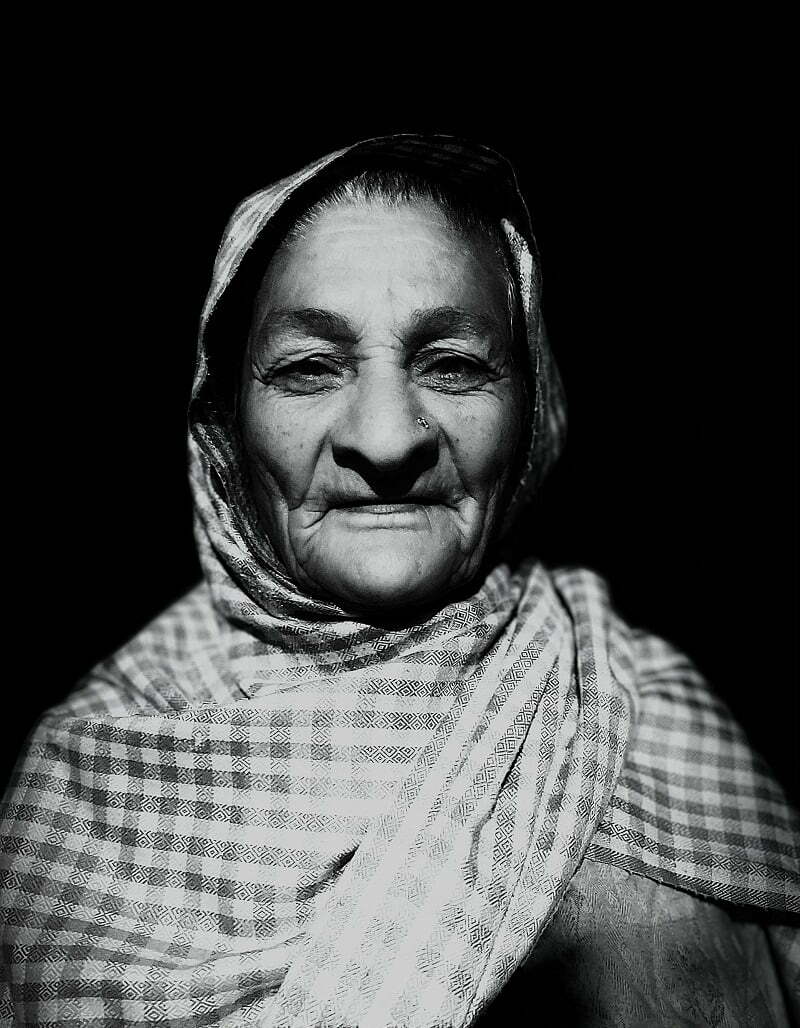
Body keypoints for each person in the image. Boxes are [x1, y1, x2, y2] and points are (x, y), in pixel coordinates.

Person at [1, 134, 797, 1026]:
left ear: (533, 415)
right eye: (308, 369)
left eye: (453, 365)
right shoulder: (84, 782)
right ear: (224, 429)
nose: (386, 440)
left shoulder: (644, 708)